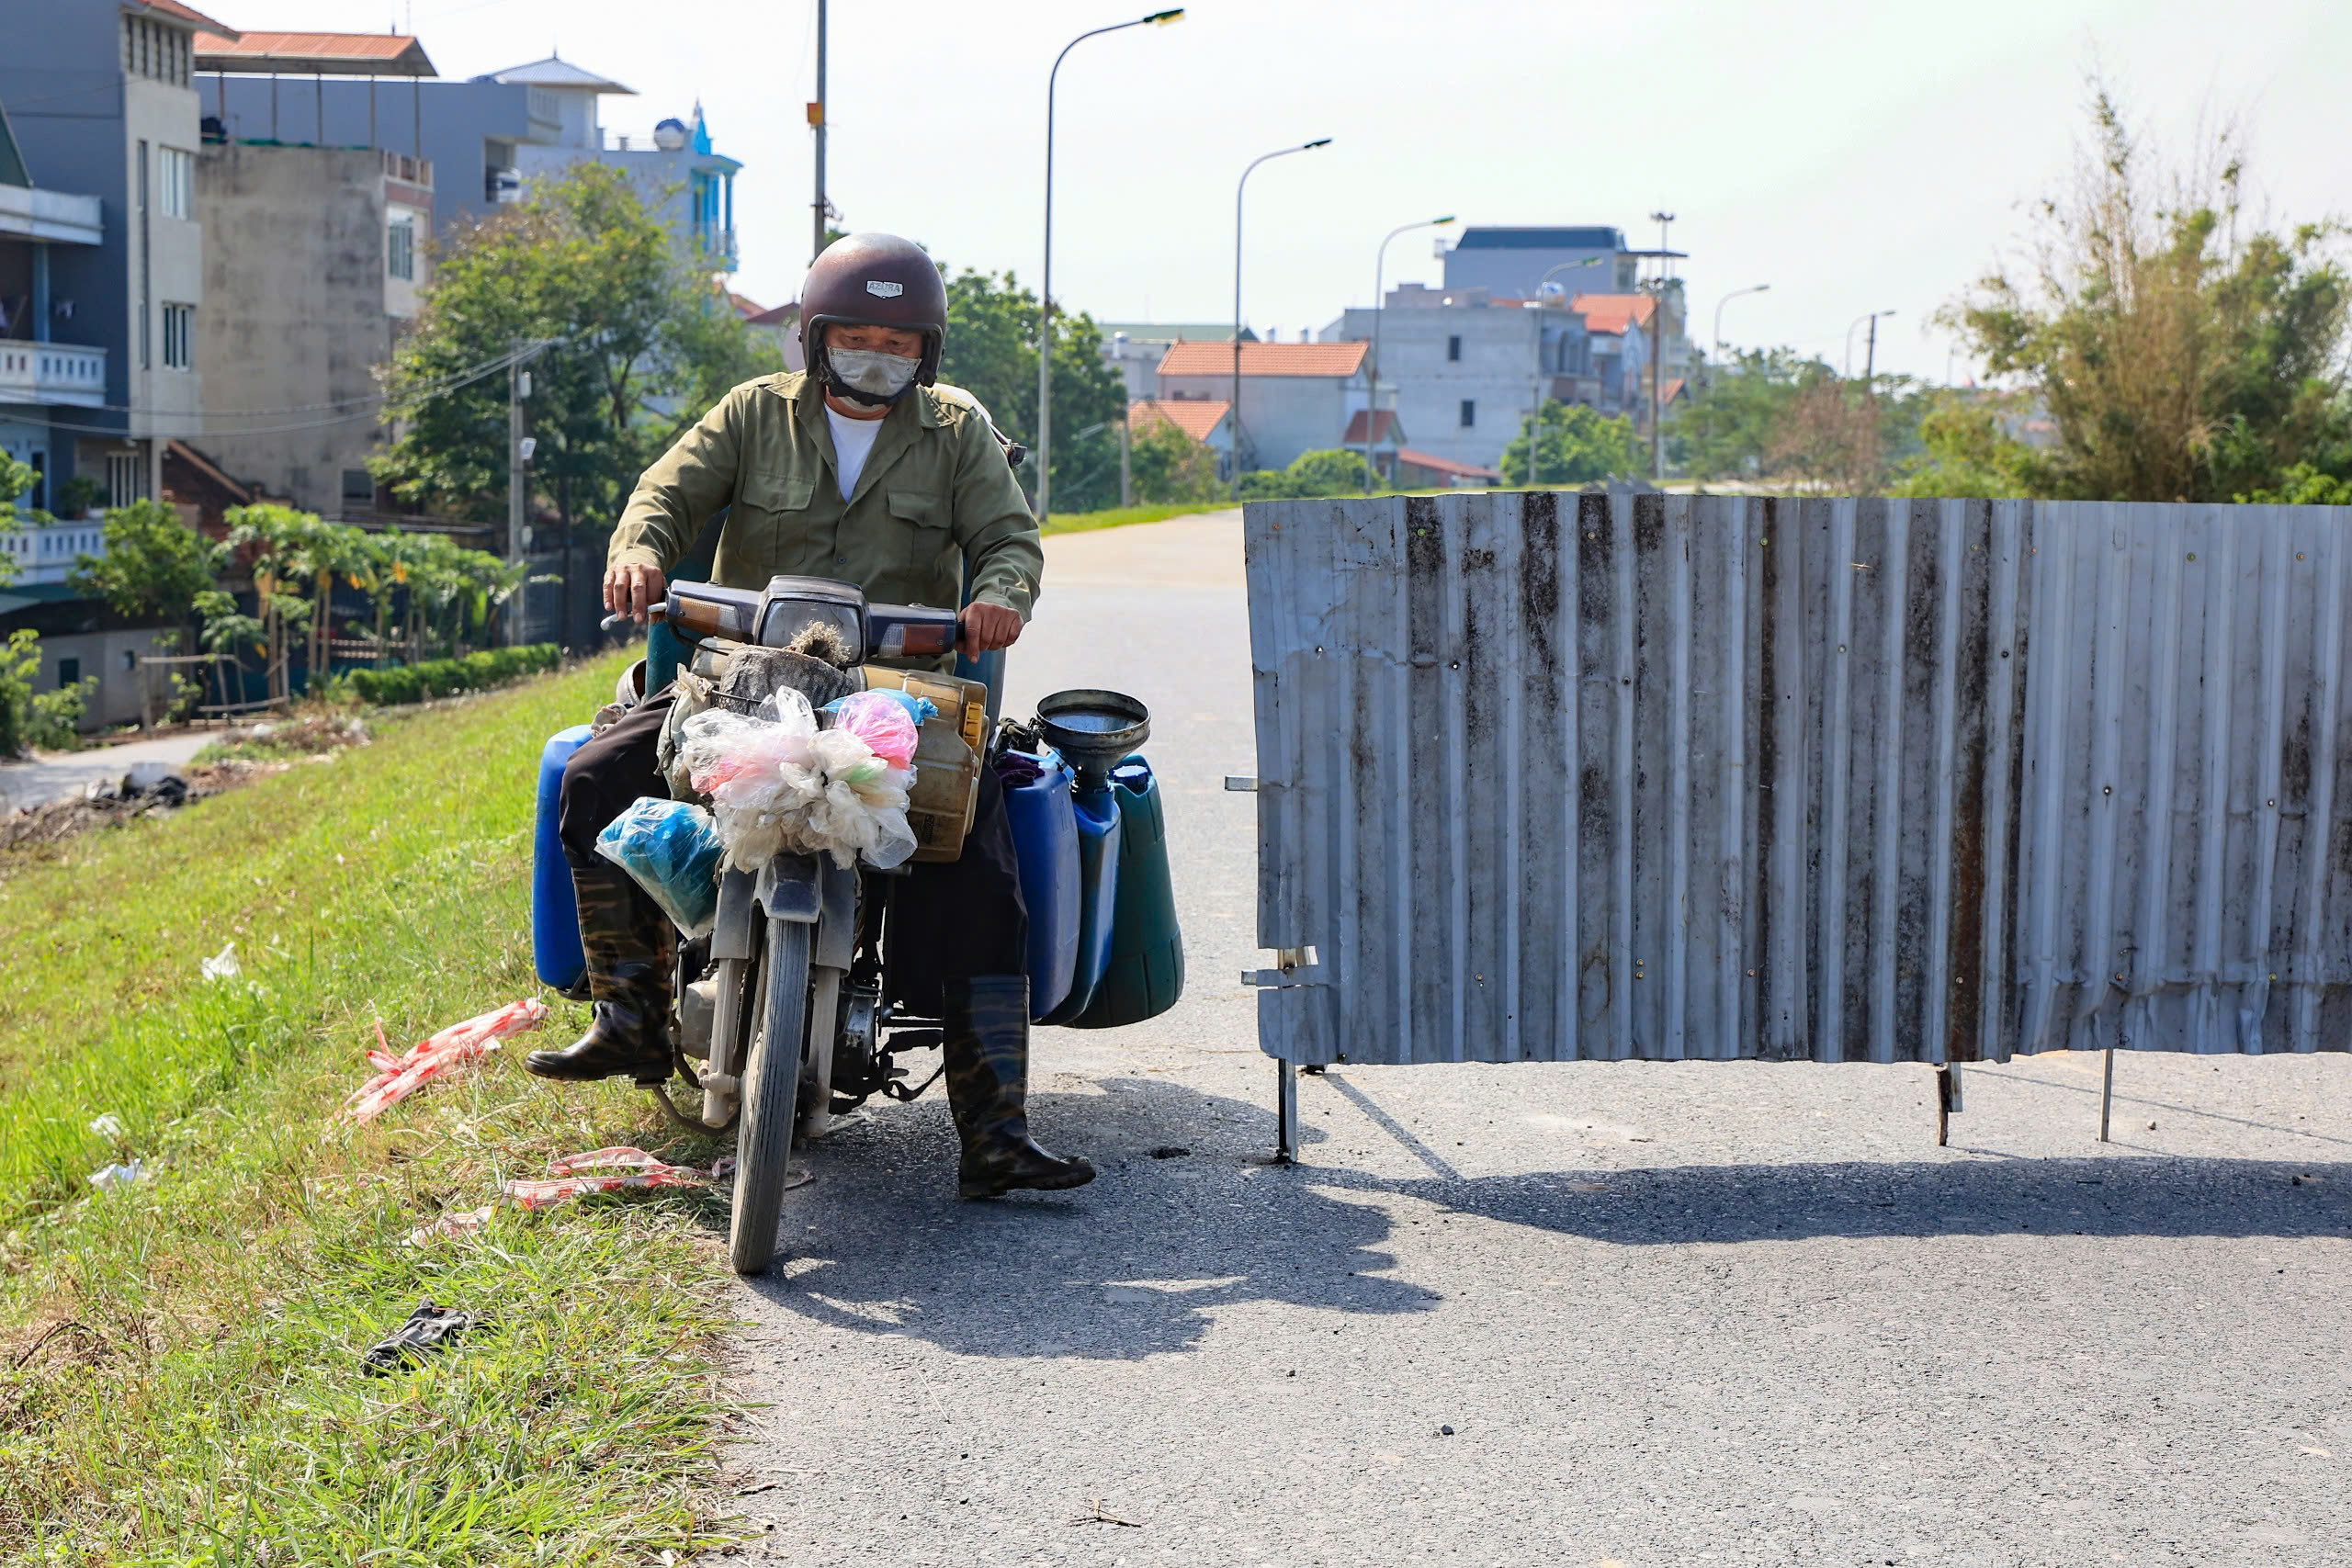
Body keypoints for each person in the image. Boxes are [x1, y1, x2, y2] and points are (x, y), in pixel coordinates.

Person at [527, 232, 1093, 1200]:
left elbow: (1009, 539)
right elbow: (663, 494)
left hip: (899, 694)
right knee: (591, 779)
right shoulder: (752, 414)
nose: (879, 353)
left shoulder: (956, 431)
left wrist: (999, 593)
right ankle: (632, 1022)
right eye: (860, 334)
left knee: (982, 861)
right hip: (746, 672)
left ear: (928, 353)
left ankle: (995, 1132)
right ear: (815, 336)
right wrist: (640, 552)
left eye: (901, 341)